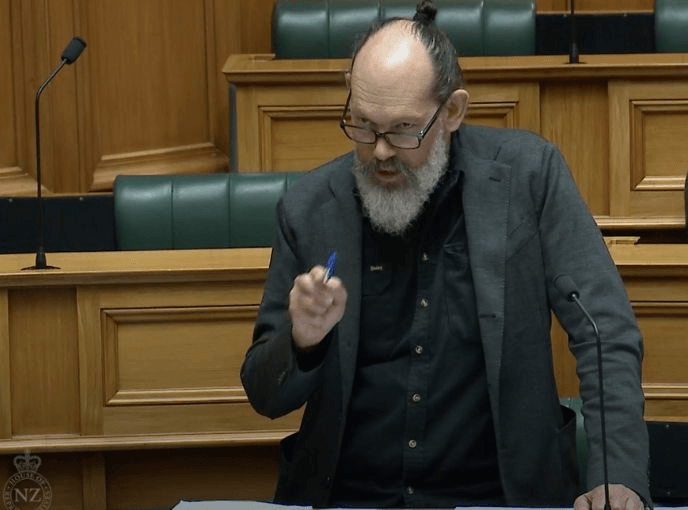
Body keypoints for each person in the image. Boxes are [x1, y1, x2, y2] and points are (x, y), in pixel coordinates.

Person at [241, 1, 650, 508]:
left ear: (452, 111)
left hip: (499, 497)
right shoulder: (309, 208)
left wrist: (616, 474)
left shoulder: (528, 178)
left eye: (402, 129)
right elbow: (263, 393)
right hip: (350, 497)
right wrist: (302, 343)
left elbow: (602, 328)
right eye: (363, 125)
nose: (380, 151)